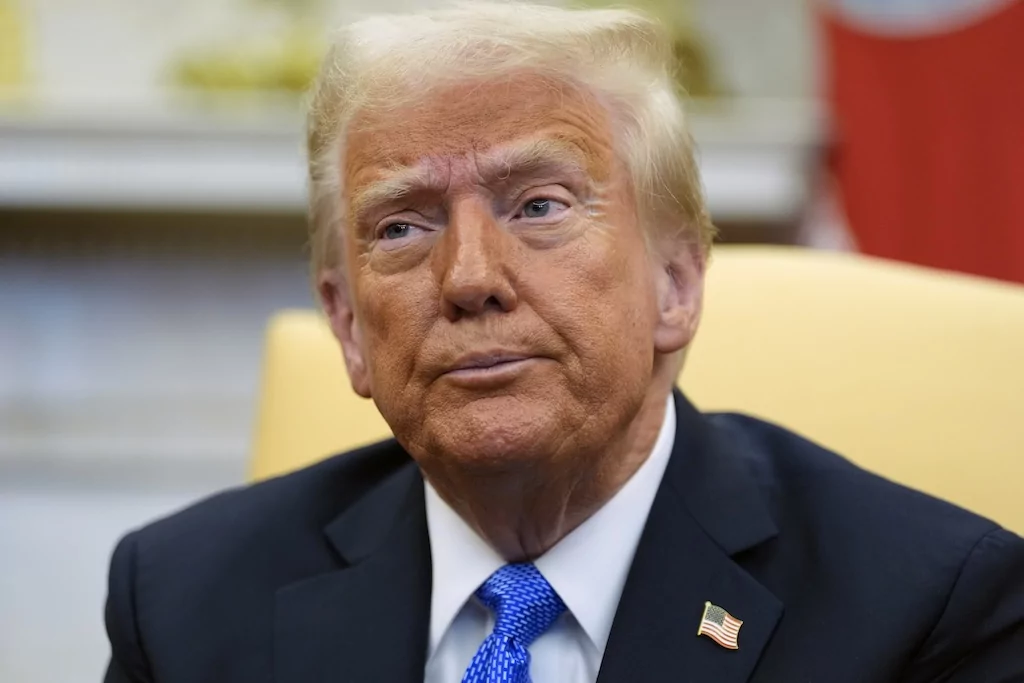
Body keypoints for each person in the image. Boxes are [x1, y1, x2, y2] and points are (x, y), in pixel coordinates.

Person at [102, 3, 1024, 682]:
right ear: (348, 325)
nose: (468, 276)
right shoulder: (184, 607)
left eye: (539, 206)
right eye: (401, 227)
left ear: (677, 284)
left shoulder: (920, 610)